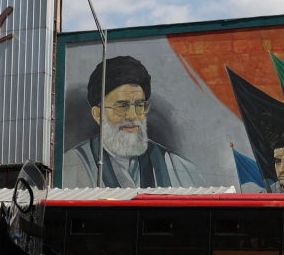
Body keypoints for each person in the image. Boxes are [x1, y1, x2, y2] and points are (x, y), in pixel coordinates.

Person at [63, 56, 205, 188]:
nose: (132, 116)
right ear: (97, 114)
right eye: (121, 106)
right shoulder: (70, 166)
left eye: (139, 106)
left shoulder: (181, 170)